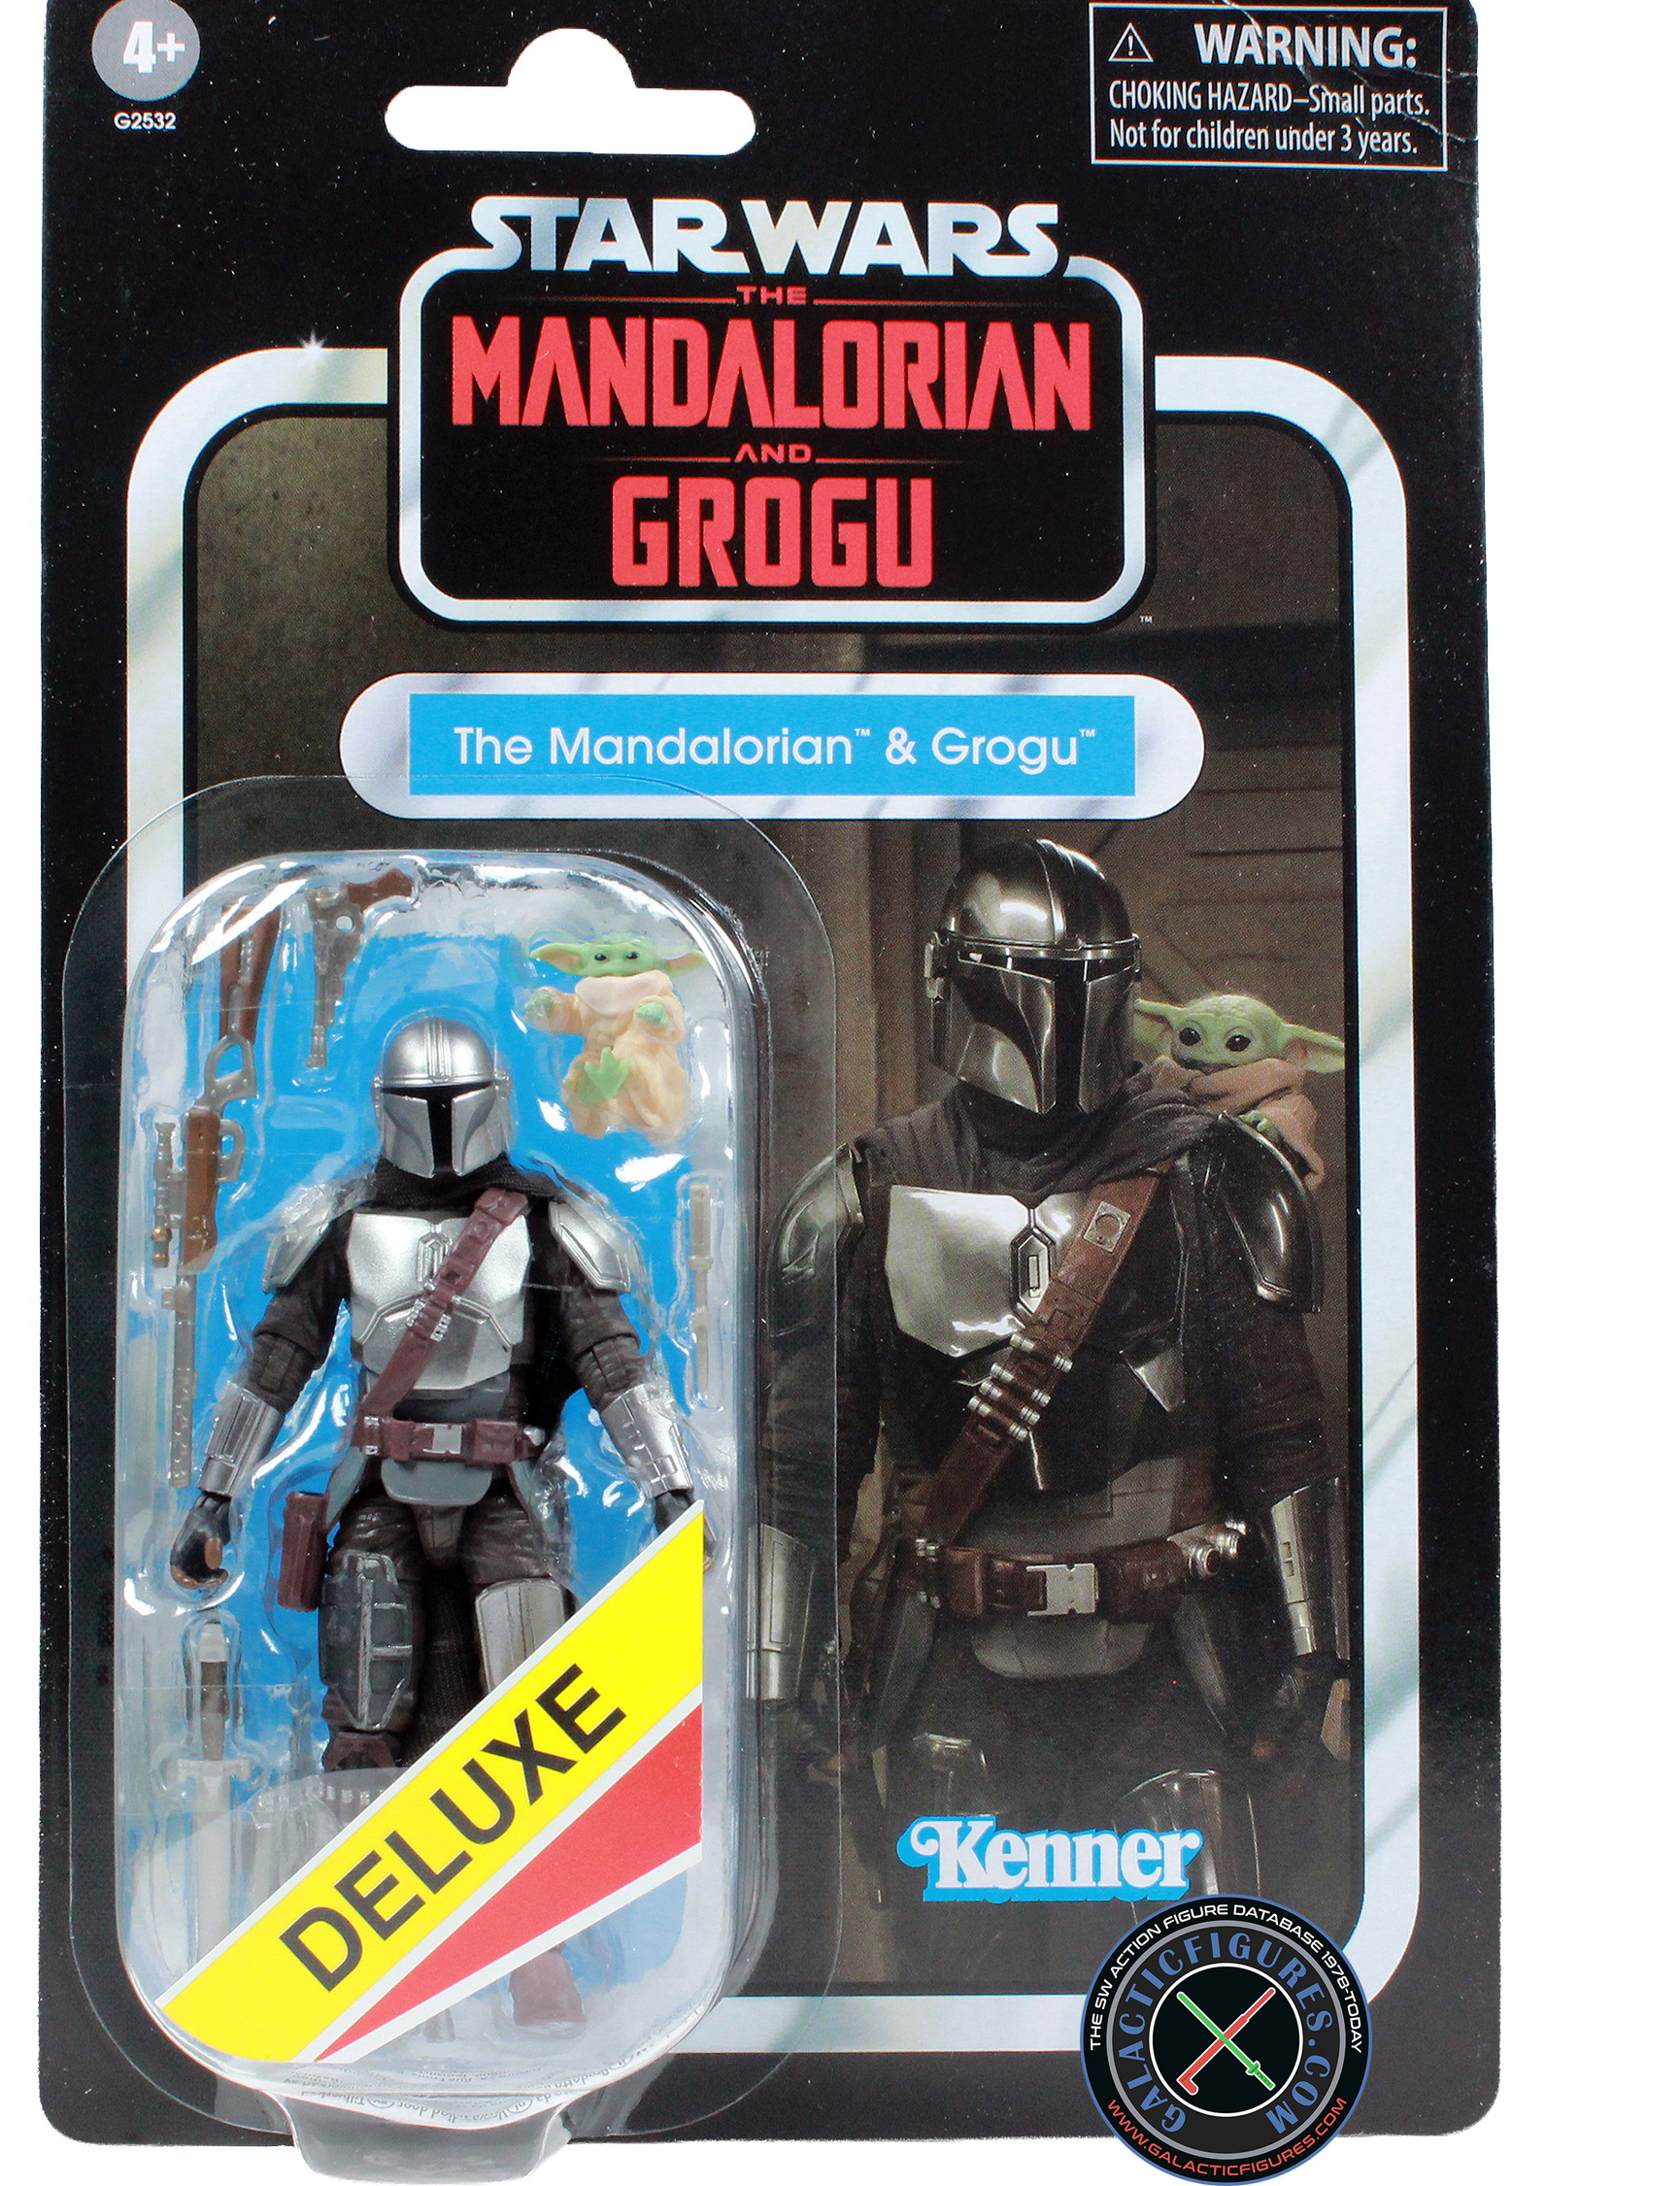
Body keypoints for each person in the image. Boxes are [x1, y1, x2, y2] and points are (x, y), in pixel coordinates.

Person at [759, 841, 1350, 1991]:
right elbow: (803, 1463)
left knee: (1185, 1989)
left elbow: (1283, 1437)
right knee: (962, 1990)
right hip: (952, 1662)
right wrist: (780, 1672)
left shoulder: (1215, 1177)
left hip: (1170, 1659)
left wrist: (1308, 1647)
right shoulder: (863, 1189)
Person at [169, 1012, 697, 2026]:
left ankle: (536, 1951)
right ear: (386, 1108)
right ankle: (361, 1967)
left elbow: (613, 1361)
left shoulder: (547, 1218)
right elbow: (274, 1363)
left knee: (532, 1729)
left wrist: (667, 1483)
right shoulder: (341, 1218)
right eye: (423, 1105)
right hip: (379, 1490)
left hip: (505, 1492)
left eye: (458, 1103)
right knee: (365, 1723)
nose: (443, 1123)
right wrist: (214, 1497)